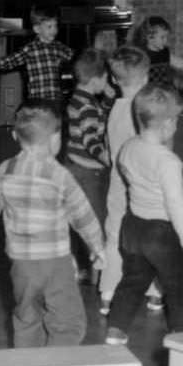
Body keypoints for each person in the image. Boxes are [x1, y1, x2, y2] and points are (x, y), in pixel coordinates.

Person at [0, 103, 105, 347]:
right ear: (56, 138)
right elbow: (83, 215)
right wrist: (97, 247)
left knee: (26, 316)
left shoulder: (6, 170)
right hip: (55, 262)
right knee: (67, 321)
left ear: (15, 137)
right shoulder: (59, 175)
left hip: (21, 264)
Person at [104, 83, 183, 345]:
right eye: (177, 119)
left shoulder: (128, 147)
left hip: (132, 227)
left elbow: (126, 173)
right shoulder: (168, 162)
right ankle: (182, 332)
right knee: (181, 283)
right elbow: (175, 204)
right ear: (168, 124)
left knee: (134, 279)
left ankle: (116, 329)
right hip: (161, 232)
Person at [97, 46, 152, 315]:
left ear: (115, 80)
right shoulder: (143, 114)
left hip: (118, 184)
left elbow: (109, 152)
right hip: (142, 187)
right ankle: (155, 292)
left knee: (115, 236)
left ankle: (108, 292)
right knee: (150, 237)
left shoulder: (114, 111)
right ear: (144, 79)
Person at [64, 49, 115, 278]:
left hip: (72, 164)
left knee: (74, 216)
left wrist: (108, 97)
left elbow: (95, 116)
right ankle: (99, 271)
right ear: (96, 79)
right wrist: (105, 156)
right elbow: (90, 137)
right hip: (88, 171)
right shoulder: (88, 106)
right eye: (106, 78)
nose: (109, 82)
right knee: (94, 220)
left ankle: (77, 263)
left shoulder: (78, 98)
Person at [0, 5, 75, 114]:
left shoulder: (59, 47)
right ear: (37, 29)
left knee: (54, 127)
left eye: (56, 26)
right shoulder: (30, 49)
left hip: (56, 99)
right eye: (49, 27)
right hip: (37, 100)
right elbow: (12, 59)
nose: (54, 30)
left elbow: (73, 57)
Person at [135, 16, 183, 88]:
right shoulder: (141, 55)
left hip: (166, 89)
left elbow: (180, 63)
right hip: (149, 91)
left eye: (166, 37)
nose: (165, 40)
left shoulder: (165, 52)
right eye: (162, 37)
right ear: (149, 37)